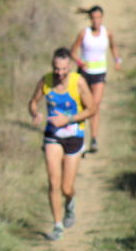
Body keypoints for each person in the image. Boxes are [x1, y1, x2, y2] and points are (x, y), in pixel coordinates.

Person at [28, 48, 96, 241]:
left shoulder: (78, 82)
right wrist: (35, 113)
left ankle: (70, 202)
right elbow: (33, 101)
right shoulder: (46, 80)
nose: (59, 73)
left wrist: (69, 119)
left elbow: (92, 109)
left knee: (67, 187)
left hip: (74, 136)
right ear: (52, 67)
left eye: (64, 69)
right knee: (53, 182)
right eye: (56, 69)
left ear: (70, 67)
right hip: (53, 136)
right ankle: (57, 225)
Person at [70, 5, 121, 153]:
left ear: (102, 18)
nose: (96, 21)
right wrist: (80, 62)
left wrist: (117, 60)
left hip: (99, 73)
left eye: (98, 17)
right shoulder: (83, 34)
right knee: (83, 106)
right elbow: (73, 52)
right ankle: (79, 138)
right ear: (90, 19)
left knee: (95, 105)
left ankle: (93, 138)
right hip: (84, 73)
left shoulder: (107, 33)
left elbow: (113, 47)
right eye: (93, 18)